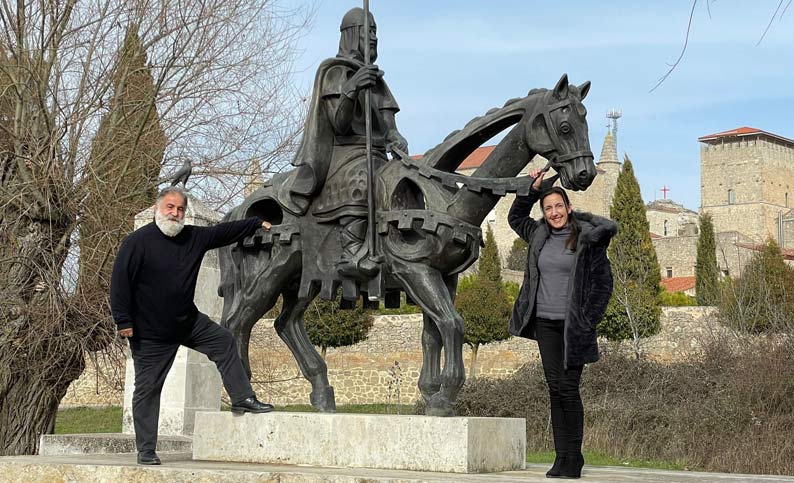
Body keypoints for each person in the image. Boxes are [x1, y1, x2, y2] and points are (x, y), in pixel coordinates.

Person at [110, 186, 275, 466]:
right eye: (170, 208)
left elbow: (224, 232)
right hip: (151, 333)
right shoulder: (137, 242)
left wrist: (256, 223)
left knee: (223, 341)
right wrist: (123, 321)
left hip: (187, 322)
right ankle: (146, 450)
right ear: (157, 210)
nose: (175, 214)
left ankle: (242, 398)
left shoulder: (193, 237)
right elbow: (119, 282)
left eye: (180, 209)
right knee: (148, 389)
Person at [278, 7, 408, 277]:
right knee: (364, 176)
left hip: (377, 152)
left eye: (375, 31)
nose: (372, 36)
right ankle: (352, 251)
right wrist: (352, 89)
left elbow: (388, 123)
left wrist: (394, 135)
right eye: (366, 30)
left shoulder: (376, 78)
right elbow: (339, 124)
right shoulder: (335, 71)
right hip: (345, 153)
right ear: (351, 34)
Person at [508, 169, 617, 479]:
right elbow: (515, 218)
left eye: (558, 206)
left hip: (574, 327)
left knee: (569, 389)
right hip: (545, 323)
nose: (554, 212)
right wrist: (532, 189)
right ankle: (561, 457)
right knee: (554, 390)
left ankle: (574, 457)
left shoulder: (587, 238)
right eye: (548, 208)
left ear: (569, 208)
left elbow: (602, 284)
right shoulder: (539, 234)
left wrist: (588, 319)